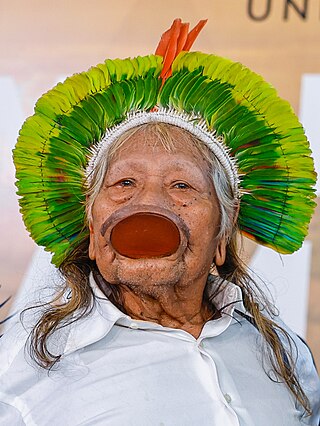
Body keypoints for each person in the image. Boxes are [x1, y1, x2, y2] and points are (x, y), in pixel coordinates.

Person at [0, 18, 319, 425]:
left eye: (182, 185)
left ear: (223, 233)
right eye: (124, 182)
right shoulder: (22, 373)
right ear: (93, 231)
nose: (148, 204)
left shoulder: (284, 356)